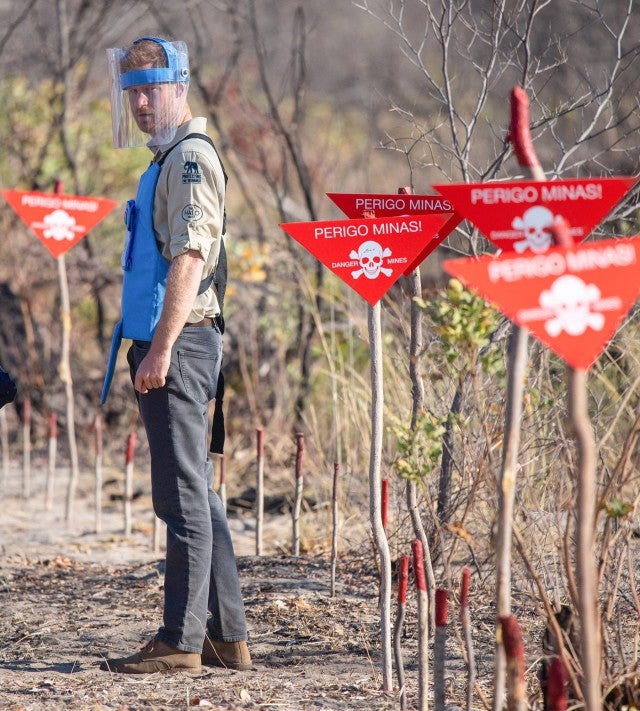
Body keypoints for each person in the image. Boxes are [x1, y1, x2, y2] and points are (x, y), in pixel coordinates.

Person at [99, 36, 250, 675]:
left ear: (179, 86)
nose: (139, 102)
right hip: (171, 343)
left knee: (181, 495)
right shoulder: (165, 160)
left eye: (150, 88)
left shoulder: (190, 159)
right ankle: (226, 637)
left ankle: (180, 642)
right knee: (197, 492)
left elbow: (192, 258)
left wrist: (159, 350)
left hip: (179, 344)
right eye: (131, 90)